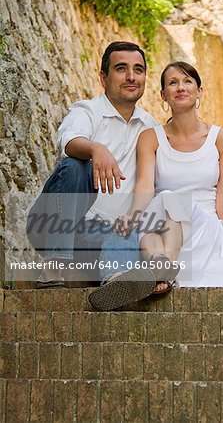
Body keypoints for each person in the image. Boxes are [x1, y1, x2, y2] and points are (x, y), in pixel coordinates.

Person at [95, 61, 223, 298]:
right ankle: (161, 270)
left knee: (168, 199)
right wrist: (132, 217)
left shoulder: (222, 139)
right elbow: (145, 188)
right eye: (172, 83)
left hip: (205, 231)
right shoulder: (150, 138)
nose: (181, 87)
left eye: (188, 81)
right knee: (148, 228)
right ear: (163, 95)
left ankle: (162, 270)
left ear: (199, 92)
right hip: (166, 232)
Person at [27, 41, 177, 305]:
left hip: (107, 234)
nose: (131, 76)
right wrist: (96, 149)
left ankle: (116, 281)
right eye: (121, 68)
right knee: (74, 164)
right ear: (103, 77)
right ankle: (56, 265)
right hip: (56, 225)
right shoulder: (87, 111)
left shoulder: (150, 127)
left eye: (138, 70)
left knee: (130, 223)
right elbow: (69, 142)